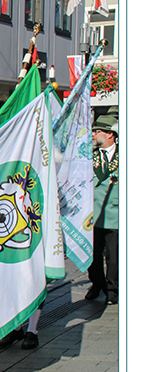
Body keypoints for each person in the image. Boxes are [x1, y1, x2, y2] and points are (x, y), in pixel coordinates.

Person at [85, 115, 119, 306]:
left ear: (110, 134)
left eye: (98, 131)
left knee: (113, 256)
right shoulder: (89, 155)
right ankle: (97, 283)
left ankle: (112, 290)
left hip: (115, 213)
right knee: (93, 256)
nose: (94, 134)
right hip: (94, 214)